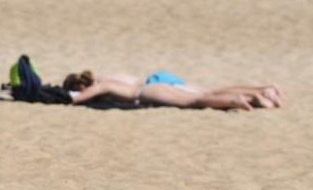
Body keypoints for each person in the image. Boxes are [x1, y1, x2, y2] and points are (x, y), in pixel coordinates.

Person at [62, 70, 286, 111]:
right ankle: (258, 93)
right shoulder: (110, 75)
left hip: (149, 91)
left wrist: (73, 99)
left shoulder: (102, 83)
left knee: (197, 100)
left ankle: (236, 100)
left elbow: (96, 90)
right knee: (207, 93)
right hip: (156, 84)